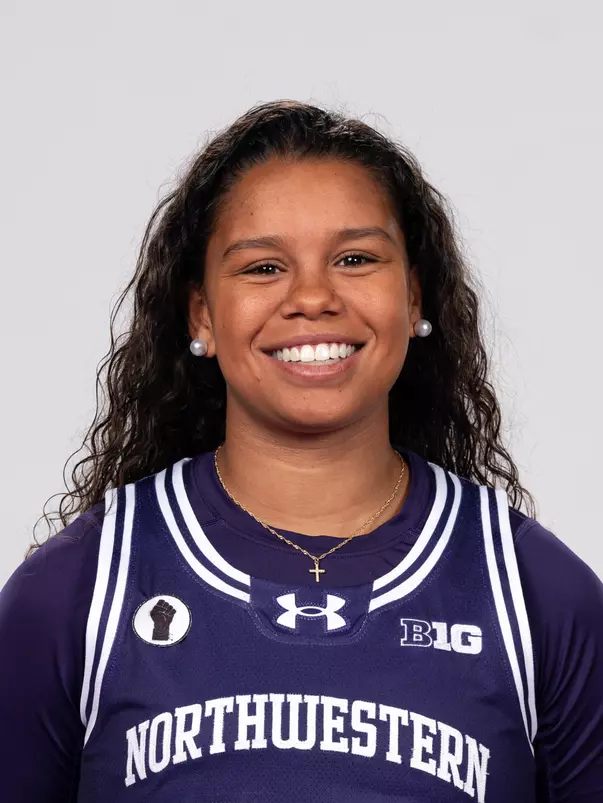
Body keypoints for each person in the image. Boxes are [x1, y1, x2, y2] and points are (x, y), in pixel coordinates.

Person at [0, 100, 601, 803]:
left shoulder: (534, 597)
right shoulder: (79, 591)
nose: (312, 296)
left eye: (355, 258)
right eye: (262, 267)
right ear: (200, 313)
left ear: (412, 297)